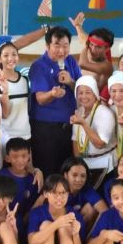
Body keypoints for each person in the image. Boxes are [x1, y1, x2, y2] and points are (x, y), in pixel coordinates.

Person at [28, 26, 81, 177]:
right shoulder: (39, 66)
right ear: (47, 46)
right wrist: (52, 94)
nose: (61, 51)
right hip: (47, 130)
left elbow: (81, 89)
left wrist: (70, 82)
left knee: (65, 171)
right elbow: (40, 99)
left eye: (65, 46)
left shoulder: (71, 61)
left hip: (69, 127)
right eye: (57, 45)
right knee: (48, 172)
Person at [70, 75, 116, 185]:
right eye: (80, 93)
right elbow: (75, 141)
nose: (83, 96)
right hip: (85, 165)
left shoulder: (104, 113)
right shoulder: (80, 111)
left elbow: (100, 144)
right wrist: (79, 164)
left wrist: (83, 124)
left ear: (95, 94)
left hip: (105, 165)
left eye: (88, 92)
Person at [0, 41, 31, 140]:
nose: (10, 58)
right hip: (5, 135)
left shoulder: (25, 79)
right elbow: (4, 114)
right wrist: (5, 91)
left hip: (25, 134)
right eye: (6, 55)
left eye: (14, 54)